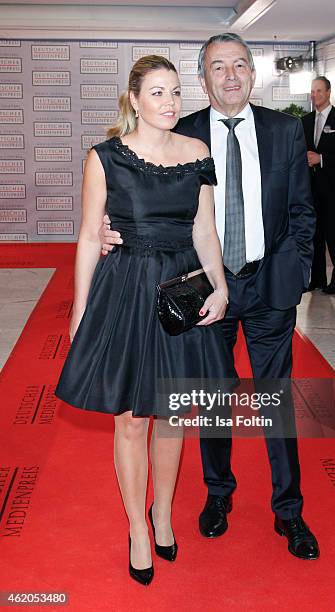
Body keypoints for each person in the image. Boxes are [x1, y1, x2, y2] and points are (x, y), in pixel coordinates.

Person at [101, 34, 319, 560]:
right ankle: (218, 496)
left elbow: (302, 212)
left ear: (252, 72)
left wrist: (295, 272)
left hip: (270, 287)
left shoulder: (285, 130)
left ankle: (288, 511)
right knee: (210, 402)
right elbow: (139, 194)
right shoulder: (184, 132)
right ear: (203, 79)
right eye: (217, 67)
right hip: (201, 290)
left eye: (239, 65)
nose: (230, 76)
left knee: (274, 403)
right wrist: (112, 229)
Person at [55, 55, 235, 586]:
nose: (170, 102)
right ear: (134, 99)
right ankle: (136, 526)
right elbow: (90, 236)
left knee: (174, 413)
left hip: (180, 289)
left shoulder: (196, 154)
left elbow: (205, 230)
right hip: (127, 290)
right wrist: (80, 309)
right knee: (132, 418)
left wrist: (220, 285)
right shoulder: (105, 157)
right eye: (157, 93)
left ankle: (162, 513)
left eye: (176, 92)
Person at [302, 76, 335, 294]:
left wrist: (321, 158)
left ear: (328, 92)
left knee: (332, 229)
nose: (314, 95)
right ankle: (317, 279)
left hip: (333, 185)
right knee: (314, 232)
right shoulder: (304, 120)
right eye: (312, 91)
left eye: (319, 91)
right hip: (310, 185)